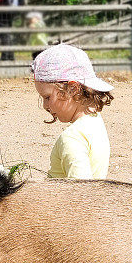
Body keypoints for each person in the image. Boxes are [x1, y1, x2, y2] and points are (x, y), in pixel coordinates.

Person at [31, 43, 113, 179]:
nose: (45, 106)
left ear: (72, 89)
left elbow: (81, 193)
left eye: (47, 97)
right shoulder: (95, 120)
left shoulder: (72, 138)